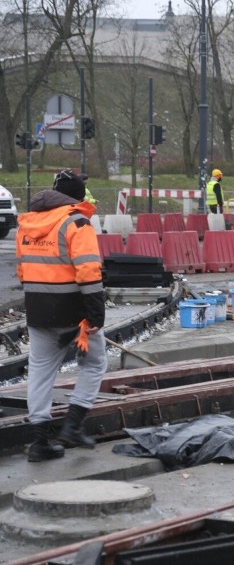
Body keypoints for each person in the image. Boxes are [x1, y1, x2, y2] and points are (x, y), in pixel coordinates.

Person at [16, 169, 107, 462]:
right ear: (78, 197)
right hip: (74, 316)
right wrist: (96, 315)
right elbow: (89, 272)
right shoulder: (77, 223)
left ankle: (40, 442)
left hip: (38, 312)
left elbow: (22, 271)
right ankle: (73, 424)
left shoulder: (27, 225)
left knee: (40, 372)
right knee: (93, 363)